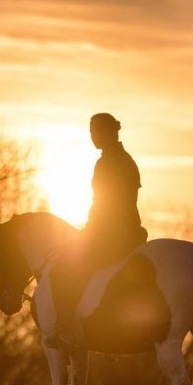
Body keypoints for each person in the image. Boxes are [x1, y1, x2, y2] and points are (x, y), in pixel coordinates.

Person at [45, 112, 148, 348]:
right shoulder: (123, 159)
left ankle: (65, 328)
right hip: (126, 230)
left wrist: (89, 231)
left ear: (109, 133)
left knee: (62, 270)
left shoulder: (109, 162)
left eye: (96, 132)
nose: (92, 137)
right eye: (91, 132)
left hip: (112, 233)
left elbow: (105, 203)